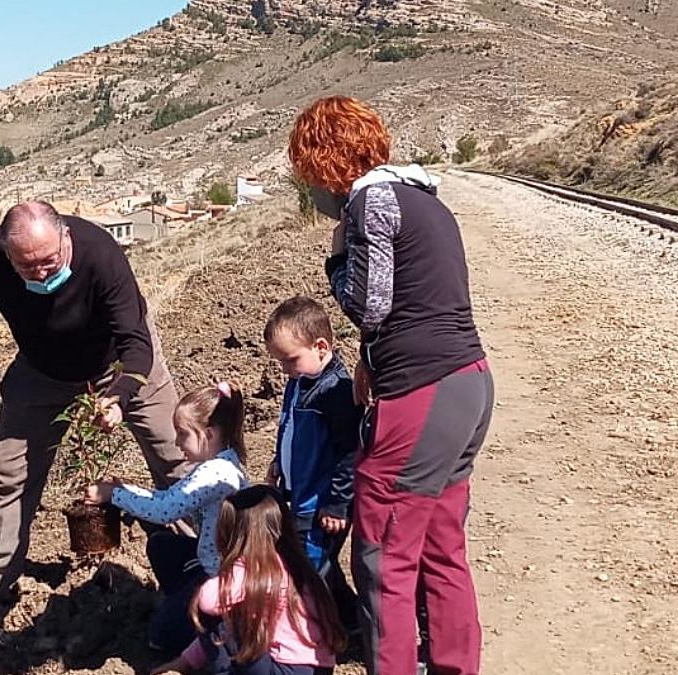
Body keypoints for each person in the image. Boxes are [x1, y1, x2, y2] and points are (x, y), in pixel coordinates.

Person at [288, 96, 495, 675]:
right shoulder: (423, 200)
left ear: (323, 161)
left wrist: (335, 264)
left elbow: (371, 304)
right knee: (441, 547)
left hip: (422, 393)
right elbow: (420, 302)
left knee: (383, 556)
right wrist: (369, 362)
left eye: (308, 173)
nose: (310, 187)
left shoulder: (369, 202)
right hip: (468, 384)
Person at [0, 201, 189, 637]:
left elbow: (136, 345)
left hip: (120, 365)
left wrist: (118, 398)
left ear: (65, 237)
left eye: (49, 261)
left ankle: (201, 560)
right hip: (41, 370)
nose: (42, 274)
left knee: (175, 456)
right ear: (8, 254)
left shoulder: (101, 255)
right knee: (7, 473)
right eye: (26, 267)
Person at [85, 381, 248, 657]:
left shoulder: (215, 475)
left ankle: (211, 619)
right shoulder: (219, 463)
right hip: (211, 559)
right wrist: (122, 489)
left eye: (183, 434)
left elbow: (165, 511)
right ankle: (185, 600)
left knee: (160, 638)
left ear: (207, 434)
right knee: (161, 545)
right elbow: (168, 498)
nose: (176, 442)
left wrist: (113, 496)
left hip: (221, 574)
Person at [154, 485, 344, 675]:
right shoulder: (297, 565)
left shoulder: (254, 569)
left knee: (215, 612)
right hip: (317, 668)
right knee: (230, 612)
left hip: (283, 668)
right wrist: (186, 660)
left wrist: (230, 569)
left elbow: (208, 603)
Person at [262, 296, 361, 642]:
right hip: (299, 494)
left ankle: (318, 635)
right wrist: (279, 462)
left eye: (290, 360)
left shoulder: (336, 393)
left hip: (319, 506)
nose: (286, 370)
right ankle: (349, 618)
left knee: (309, 571)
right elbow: (288, 428)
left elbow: (349, 453)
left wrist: (337, 503)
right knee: (319, 568)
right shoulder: (299, 383)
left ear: (321, 347)